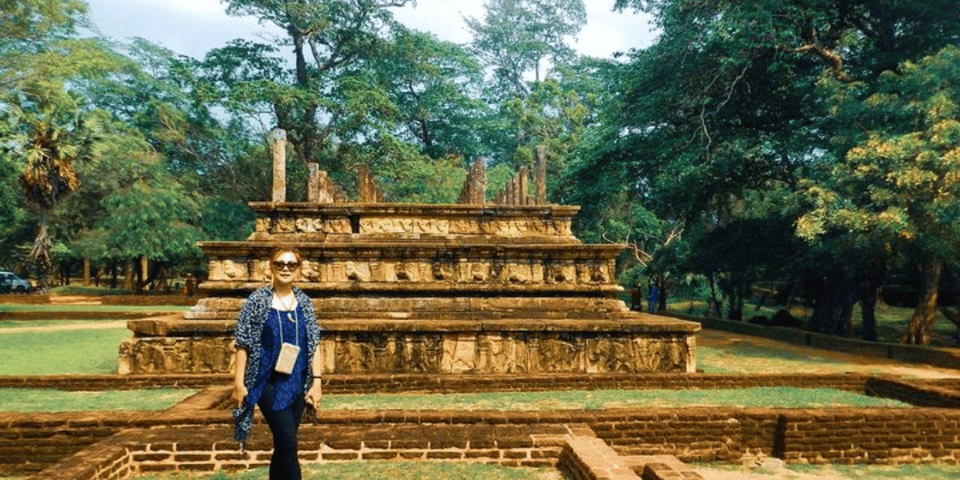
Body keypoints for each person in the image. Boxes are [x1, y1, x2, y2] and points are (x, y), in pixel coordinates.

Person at [232, 247, 322, 480]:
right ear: (270, 267)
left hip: (297, 382)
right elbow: (242, 343)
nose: (285, 268)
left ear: (299, 270)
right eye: (280, 263)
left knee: (284, 443)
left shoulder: (304, 303)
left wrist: (317, 382)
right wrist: (238, 383)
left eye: (291, 264)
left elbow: (314, 343)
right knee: (288, 442)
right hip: (266, 382)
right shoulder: (257, 301)